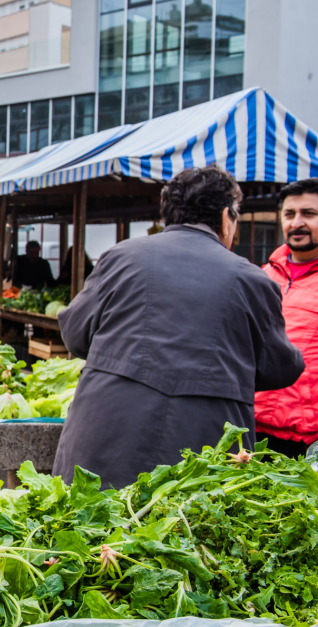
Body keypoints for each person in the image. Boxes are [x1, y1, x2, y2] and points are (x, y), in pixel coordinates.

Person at [54, 166, 304, 488]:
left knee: (95, 527)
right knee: (183, 531)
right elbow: (280, 368)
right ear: (227, 217)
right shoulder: (253, 278)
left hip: (107, 431)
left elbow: (75, 335)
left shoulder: (121, 256)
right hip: (203, 444)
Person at [254, 179, 318, 456]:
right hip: (247, 428)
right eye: (289, 214)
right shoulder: (260, 276)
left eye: (309, 214)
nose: (297, 223)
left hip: (307, 440)